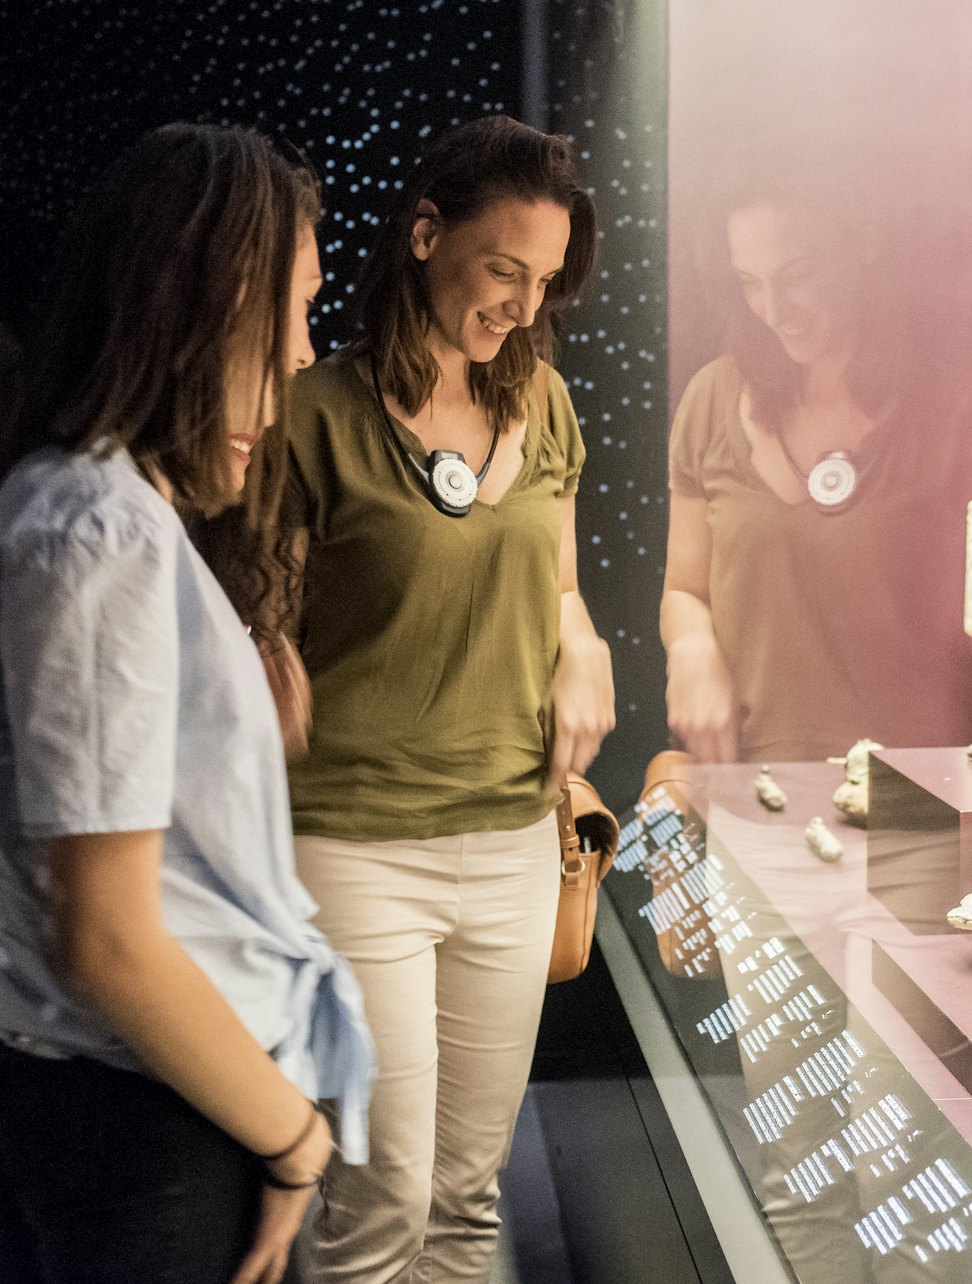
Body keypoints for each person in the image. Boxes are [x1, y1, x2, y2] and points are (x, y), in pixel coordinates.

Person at [0, 122, 373, 1284]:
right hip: (151, 1124)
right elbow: (107, 938)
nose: (306, 356)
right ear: (207, 304)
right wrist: (295, 1140)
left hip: (154, 1107)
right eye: (294, 311)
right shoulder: (99, 525)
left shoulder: (108, 512)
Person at [281, 114, 614, 1282]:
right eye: (503, 271)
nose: (525, 307)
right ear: (426, 235)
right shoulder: (311, 416)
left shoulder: (550, 406)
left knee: (468, 1204)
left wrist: (583, 639)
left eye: (547, 281)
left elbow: (559, 588)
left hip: (516, 838)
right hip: (355, 844)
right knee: (378, 1211)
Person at [662, 160, 972, 765]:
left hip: (921, 807)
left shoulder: (956, 414)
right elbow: (683, 589)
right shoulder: (711, 399)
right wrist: (691, 650)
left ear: (863, 242)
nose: (774, 309)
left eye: (796, 275)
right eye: (750, 282)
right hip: (753, 796)